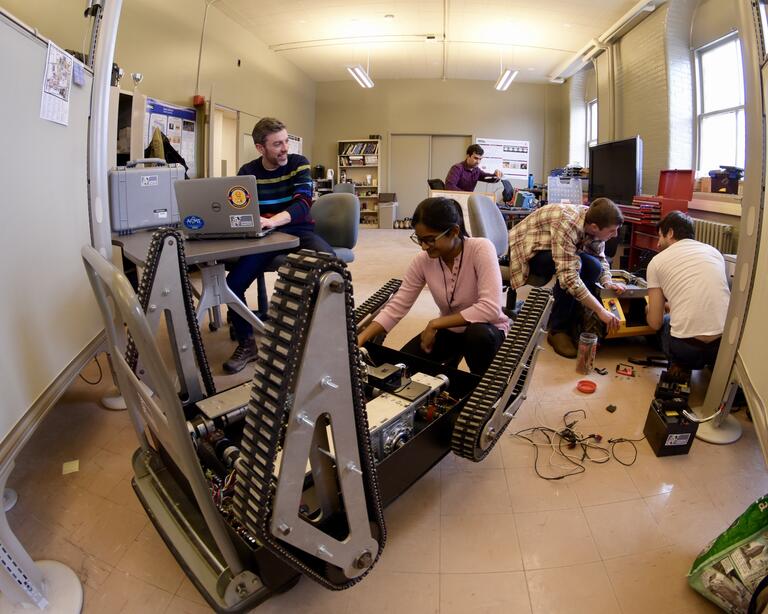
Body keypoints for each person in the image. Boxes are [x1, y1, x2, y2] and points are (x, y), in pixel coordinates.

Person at [224, 117, 333, 374]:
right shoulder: (247, 172)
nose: (285, 148)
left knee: (330, 263)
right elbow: (239, 207)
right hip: (266, 237)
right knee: (232, 285)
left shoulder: (298, 163)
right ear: (261, 148)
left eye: (286, 141)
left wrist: (273, 221)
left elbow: (303, 203)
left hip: (299, 230)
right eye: (277, 144)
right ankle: (247, 344)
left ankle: (321, 335)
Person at [357, 197, 508, 375]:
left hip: (487, 330)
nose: (423, 247)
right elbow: (398, 306)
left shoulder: (481, 248)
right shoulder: (423, 261)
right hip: (450, 331)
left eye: (429, 239)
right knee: (400, 371)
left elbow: (489, 308)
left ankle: (483, 388)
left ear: (453, 231)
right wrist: (362, 337)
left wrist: (435, 324)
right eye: (419, 239)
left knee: (478, 337)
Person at [507, 198, 626, 358]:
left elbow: (600, 259)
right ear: (594, 227)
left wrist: (608, 282)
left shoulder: (595, 222)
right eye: (612, 231)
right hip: (529, 248)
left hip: (555, 244)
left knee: (593, 267)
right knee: (576, 267)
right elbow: (568, 277)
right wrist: (600, 310)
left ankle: (575, 320)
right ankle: (558, 330)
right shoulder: (568, 223)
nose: (615, 235)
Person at [645, 211, 730, 370]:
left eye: (660, 236)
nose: (658, 243)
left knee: (659, 318)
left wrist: (651, 309)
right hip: (722, 347)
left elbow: (655, 323)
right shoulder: (715, 253)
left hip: (686, 349)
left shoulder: (656, 262)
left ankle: (678, 365)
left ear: (670, 233)